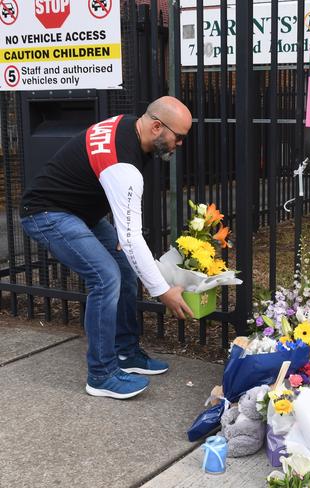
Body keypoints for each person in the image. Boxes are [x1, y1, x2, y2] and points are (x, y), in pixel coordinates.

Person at [20, 96, 195, 400]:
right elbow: (131, 236)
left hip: (80, 212)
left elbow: (108, 192)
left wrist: (124, 236)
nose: (180, 143)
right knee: (105, 276)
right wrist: (163, 291)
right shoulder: (124, 164)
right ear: (156, 126)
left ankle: (126, 353)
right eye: (178, 136)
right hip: (46, 213)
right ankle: (101, 374)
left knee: (124, 267)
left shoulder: (130, 127)